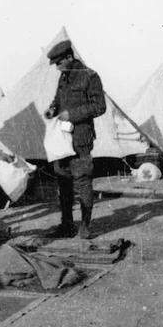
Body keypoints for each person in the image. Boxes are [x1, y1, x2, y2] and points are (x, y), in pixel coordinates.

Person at [44, 40, 106, 239]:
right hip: (62, 140)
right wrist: (52, 109)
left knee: (83, 181)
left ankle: (85, 225)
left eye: (59, 63)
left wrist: (72, 115)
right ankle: (67, 223)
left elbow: (99, 106)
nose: (57, 67)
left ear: (69, 57)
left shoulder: (90, 76)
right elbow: (57, 99)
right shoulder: (63, 77)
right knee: (63, 182)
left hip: (80, 138)